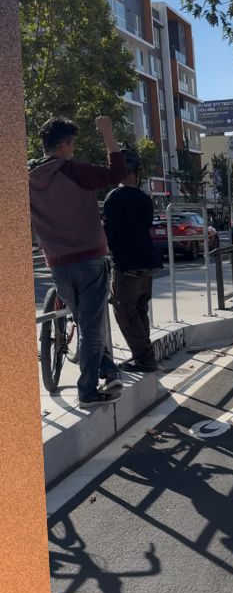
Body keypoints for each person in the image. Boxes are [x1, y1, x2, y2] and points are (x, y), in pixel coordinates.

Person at [29, 116, 127, 407]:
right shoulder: (72, 171)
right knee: (91, 327)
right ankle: (87, 391)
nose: (73, 149)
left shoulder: (28, 179)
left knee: (85, 322)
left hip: (58, 263)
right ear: (62, 145)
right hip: (90, 260)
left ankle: (108, 368)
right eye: (71, 143)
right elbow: (117, 172)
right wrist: (108, 134)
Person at [101, 148, 162, 372]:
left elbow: (108, 232)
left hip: (126, 264)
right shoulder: (145, 199)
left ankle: (145, 359)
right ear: (138, 173)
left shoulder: (113, 197)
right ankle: (145, 355)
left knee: (124, 313)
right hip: (147, 263)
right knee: (139, 310)